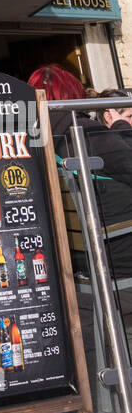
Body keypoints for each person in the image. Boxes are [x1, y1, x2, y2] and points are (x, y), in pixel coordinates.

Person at [28, 65, 132, 281]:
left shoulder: (41, 138)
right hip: (118, 248)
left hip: (78, 253)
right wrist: (121, 125)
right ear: (72, 94)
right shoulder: (82, 131)